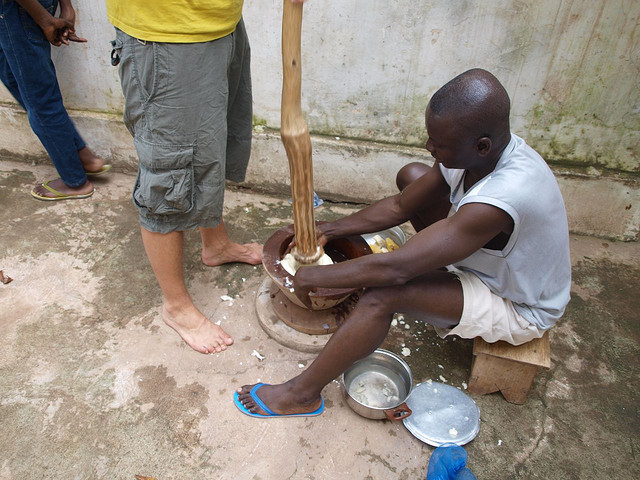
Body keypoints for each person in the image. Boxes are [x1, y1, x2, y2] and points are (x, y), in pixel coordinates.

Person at [235, 68, 571, 417]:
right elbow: (401, 205)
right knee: (411, 176)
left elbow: (394, 269)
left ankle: (300, 394)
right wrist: (330, 229)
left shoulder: (507, 193)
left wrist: (310, 277)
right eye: (431, 138)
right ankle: (438, 276)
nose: (430, 148)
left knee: (384, 293)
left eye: (439, 144)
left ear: (481, 145)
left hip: (517, 301)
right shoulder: (480, 154)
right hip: (488, 260)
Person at [106, 0, 306, 355]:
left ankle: (216, 245)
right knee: (170, 173)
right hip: (166, 35)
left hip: (219, 22)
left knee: (210, 148)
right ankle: (176, 307)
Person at [0, 0, 110, 201]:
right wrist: (66, 7)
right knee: (12, 77)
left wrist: (45, 21)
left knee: (39, 98)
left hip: (18, 8)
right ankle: (81, 155)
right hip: (25, 8)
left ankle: (75, 181)